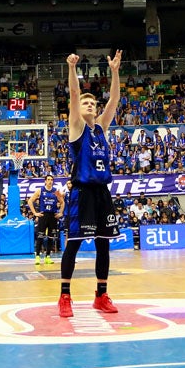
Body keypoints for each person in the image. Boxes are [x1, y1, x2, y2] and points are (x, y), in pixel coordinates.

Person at [59, 51, 123, 318]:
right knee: (73, 243)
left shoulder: (101, 129)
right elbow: (74, 95)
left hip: (101, 192)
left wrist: (115, 71)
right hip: (82, 192)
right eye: (86, 103)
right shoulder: (77, 127)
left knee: (103, 244)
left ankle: (101, 295)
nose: (89, 105)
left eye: (92, 103)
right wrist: (72, 68)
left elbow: (115, 99)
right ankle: (65, 296)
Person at [28, 173, 63, 267]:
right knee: (40, 236)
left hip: (53, 216)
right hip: (43, 215)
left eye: (51, 180)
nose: (50, 181)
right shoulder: (40, 190)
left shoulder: (56, 191)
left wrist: (60, 213)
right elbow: (30, 201)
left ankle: (47, 256)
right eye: (48, 179)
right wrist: (35, 213)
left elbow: (62, 202)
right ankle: (38, 256)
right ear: (45, 181)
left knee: (51, 237)